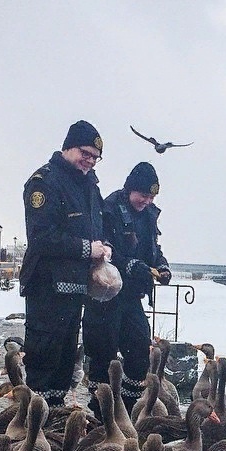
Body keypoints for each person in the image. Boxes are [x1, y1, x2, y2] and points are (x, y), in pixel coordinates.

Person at [19, 120, 110, 406]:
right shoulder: (44, 182)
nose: (90, 161)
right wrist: (87, 249)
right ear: (68, 147)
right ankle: (32, 428)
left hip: (75, 289)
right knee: (43, 359)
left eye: (95, 158)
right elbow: (42, 238)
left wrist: (105, 247)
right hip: (48, 287)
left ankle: (54, 427)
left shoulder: (90, 188)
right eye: (85, 153)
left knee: (64, 363)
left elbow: (99, 229)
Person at [83, 162, 171, 415]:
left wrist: (161, 265)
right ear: (131, 188)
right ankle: (101, 411)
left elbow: (152, 249)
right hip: (106, 293)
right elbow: (105, 248)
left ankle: (127, 409)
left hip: (132, 295)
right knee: (104, 353)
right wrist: (130, 265)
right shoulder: (109, 208)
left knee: (138, 350)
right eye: (143, 195)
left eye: (152, 196)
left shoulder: (149, 214)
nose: (147, 200)